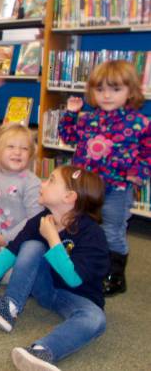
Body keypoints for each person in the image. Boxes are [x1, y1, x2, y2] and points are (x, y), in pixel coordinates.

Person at [0, 166, 109, 371]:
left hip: (79, 297)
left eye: (51, 180)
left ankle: (42, 350)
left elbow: (74, 279)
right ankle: (10, 307)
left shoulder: (92, 234)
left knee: (96, 320)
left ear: (69, 197)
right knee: (31, 245)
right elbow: (13, 249)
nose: (42, 183)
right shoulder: (41, 219)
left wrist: (53, 238)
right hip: (44, 289)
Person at [59, 60, 151, 296]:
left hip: (117, 188)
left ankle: (114, 274)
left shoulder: (140, 123)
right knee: (78, 224)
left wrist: (140, 172)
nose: (107, 95)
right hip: (85, 187)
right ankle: (80, 265)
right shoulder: (87, 119)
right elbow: (67, 137)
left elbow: (147, 152)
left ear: (130, 91)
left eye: (115, 89)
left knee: (112, 229)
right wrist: (71, 114)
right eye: (100, 90)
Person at [0, 123, 43, 274]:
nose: (17, 152)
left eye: (24, 148)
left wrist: (7, 238)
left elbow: (34, 219)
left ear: (30, 155)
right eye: (10, 146)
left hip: (14, 241)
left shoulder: (31, 182)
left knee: (10, 270)